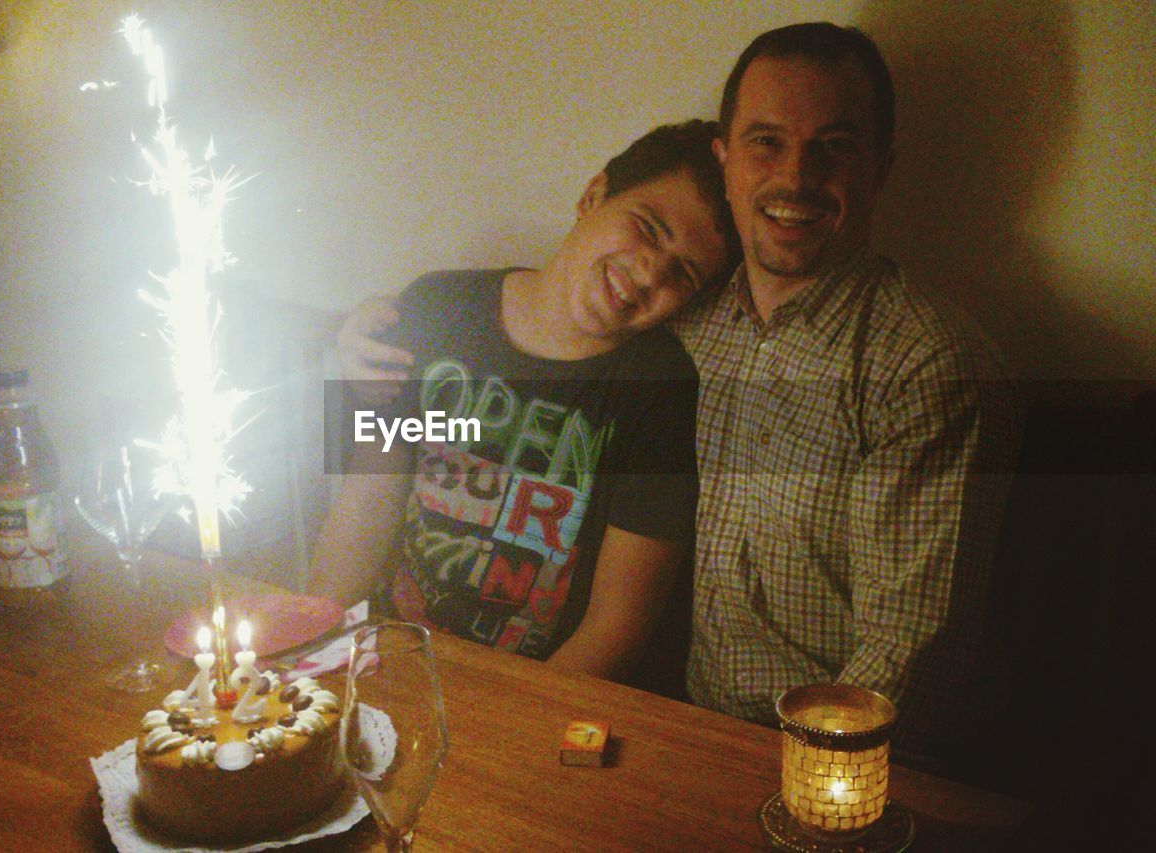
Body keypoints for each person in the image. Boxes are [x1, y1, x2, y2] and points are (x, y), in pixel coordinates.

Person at [337, 23, 1023, 763]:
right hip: (659, 725)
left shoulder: (924, 364)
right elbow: (387, 463)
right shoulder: (678, 320)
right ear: (727, 163)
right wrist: (354, 358)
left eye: (835, 147)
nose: (795, 177)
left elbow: (907, 656)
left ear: (880, 169)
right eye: (766, 141)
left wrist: (803, 791)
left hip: (814, 767)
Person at [309, 120, 738, 680]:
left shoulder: (659, 384)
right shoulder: (438, 311)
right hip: (395, 658)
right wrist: (307, 650)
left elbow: (620, 623)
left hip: (543, 690)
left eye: (682, 272)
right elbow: (368, 502)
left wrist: (519, 720)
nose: (651, 272)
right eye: (648, 228)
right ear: (592, 196)